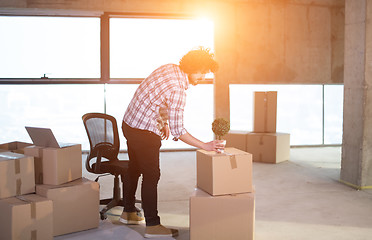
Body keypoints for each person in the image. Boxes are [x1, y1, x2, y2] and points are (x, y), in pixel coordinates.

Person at [120, 47, 224, 238]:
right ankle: (152, 225)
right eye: (202, 73)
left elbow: (157, 98)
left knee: (135, 167)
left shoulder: (169, 68)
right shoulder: (179, 90)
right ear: (193, 68)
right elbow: (179, 131)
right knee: (152, 175)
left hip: (129, 123)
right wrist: (205, 145)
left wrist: (164, 121)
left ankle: (128, 212)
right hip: (143, 132)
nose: (202, 78)